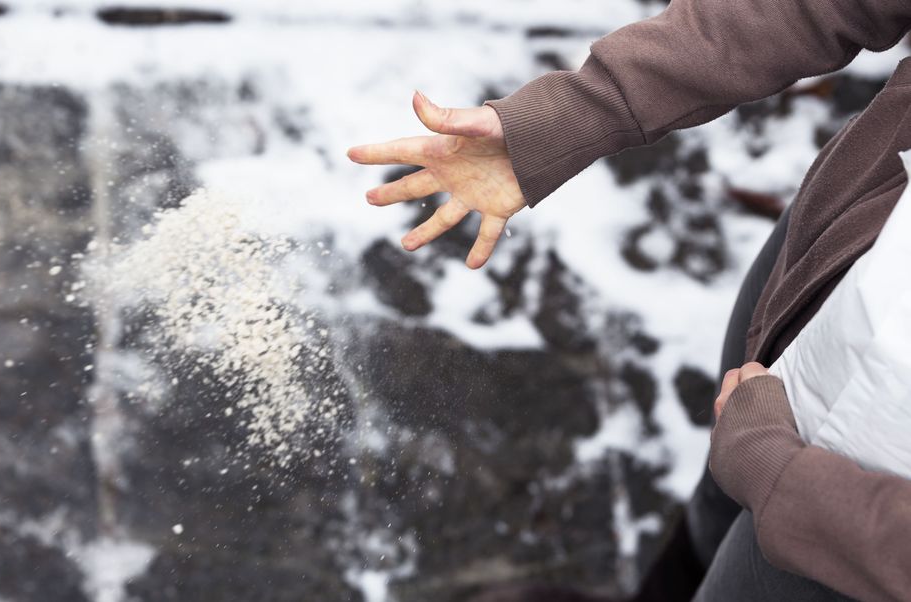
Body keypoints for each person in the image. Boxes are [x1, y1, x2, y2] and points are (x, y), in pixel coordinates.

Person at [348, 1, 911, 601]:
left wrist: (778, 478)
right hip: (847, 251)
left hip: (858, 531)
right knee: (711, 515)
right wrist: (576, 114)